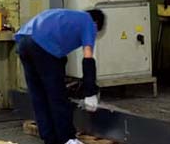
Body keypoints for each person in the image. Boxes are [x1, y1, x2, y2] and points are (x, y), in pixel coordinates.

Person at [15, 8, 106, 144]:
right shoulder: (89, 22)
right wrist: (90, 92)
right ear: (97, 23)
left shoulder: (65, 15)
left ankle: (49, 138)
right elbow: (88, 57)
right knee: (57, 96)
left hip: (23, 42)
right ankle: (67, 139)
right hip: (43, 46)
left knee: (38, 95)